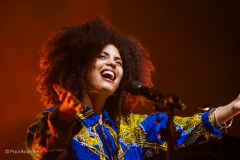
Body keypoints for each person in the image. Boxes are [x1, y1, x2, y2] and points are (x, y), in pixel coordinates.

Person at [26, 17, 240, 160]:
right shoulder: (51, 120)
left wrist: (233, 107)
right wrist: (63, 118)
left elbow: (185, 129)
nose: (112, 64)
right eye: (102, 57)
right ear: (81, 68)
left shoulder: (133, 127)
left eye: (119, 62)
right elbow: (40, 148)